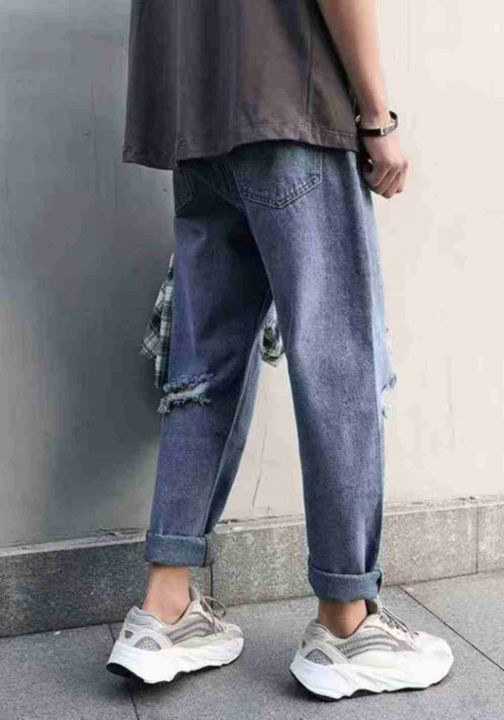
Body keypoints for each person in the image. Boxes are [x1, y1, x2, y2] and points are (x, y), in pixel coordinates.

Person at [107, 0, 453, 699]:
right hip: (295, 111)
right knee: (339, 367)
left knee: (202, 373)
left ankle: (164, 609)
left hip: (197, 124)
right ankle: (347, 622)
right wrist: (377, 119)